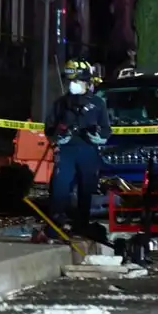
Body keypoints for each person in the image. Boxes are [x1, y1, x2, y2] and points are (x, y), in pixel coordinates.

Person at [44, 59, 112, 238]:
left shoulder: (98, 104)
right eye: (70, 82)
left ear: (86, 82)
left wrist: (100, 138)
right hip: (67, 152)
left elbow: (106, 129)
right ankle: (56, 224)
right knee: (60, 187)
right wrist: (58, 137)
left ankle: (81, 225)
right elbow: (49, 127)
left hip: (88, 151)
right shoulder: (61, 104)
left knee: (86, 189)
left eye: (76, 81)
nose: (73, 85)